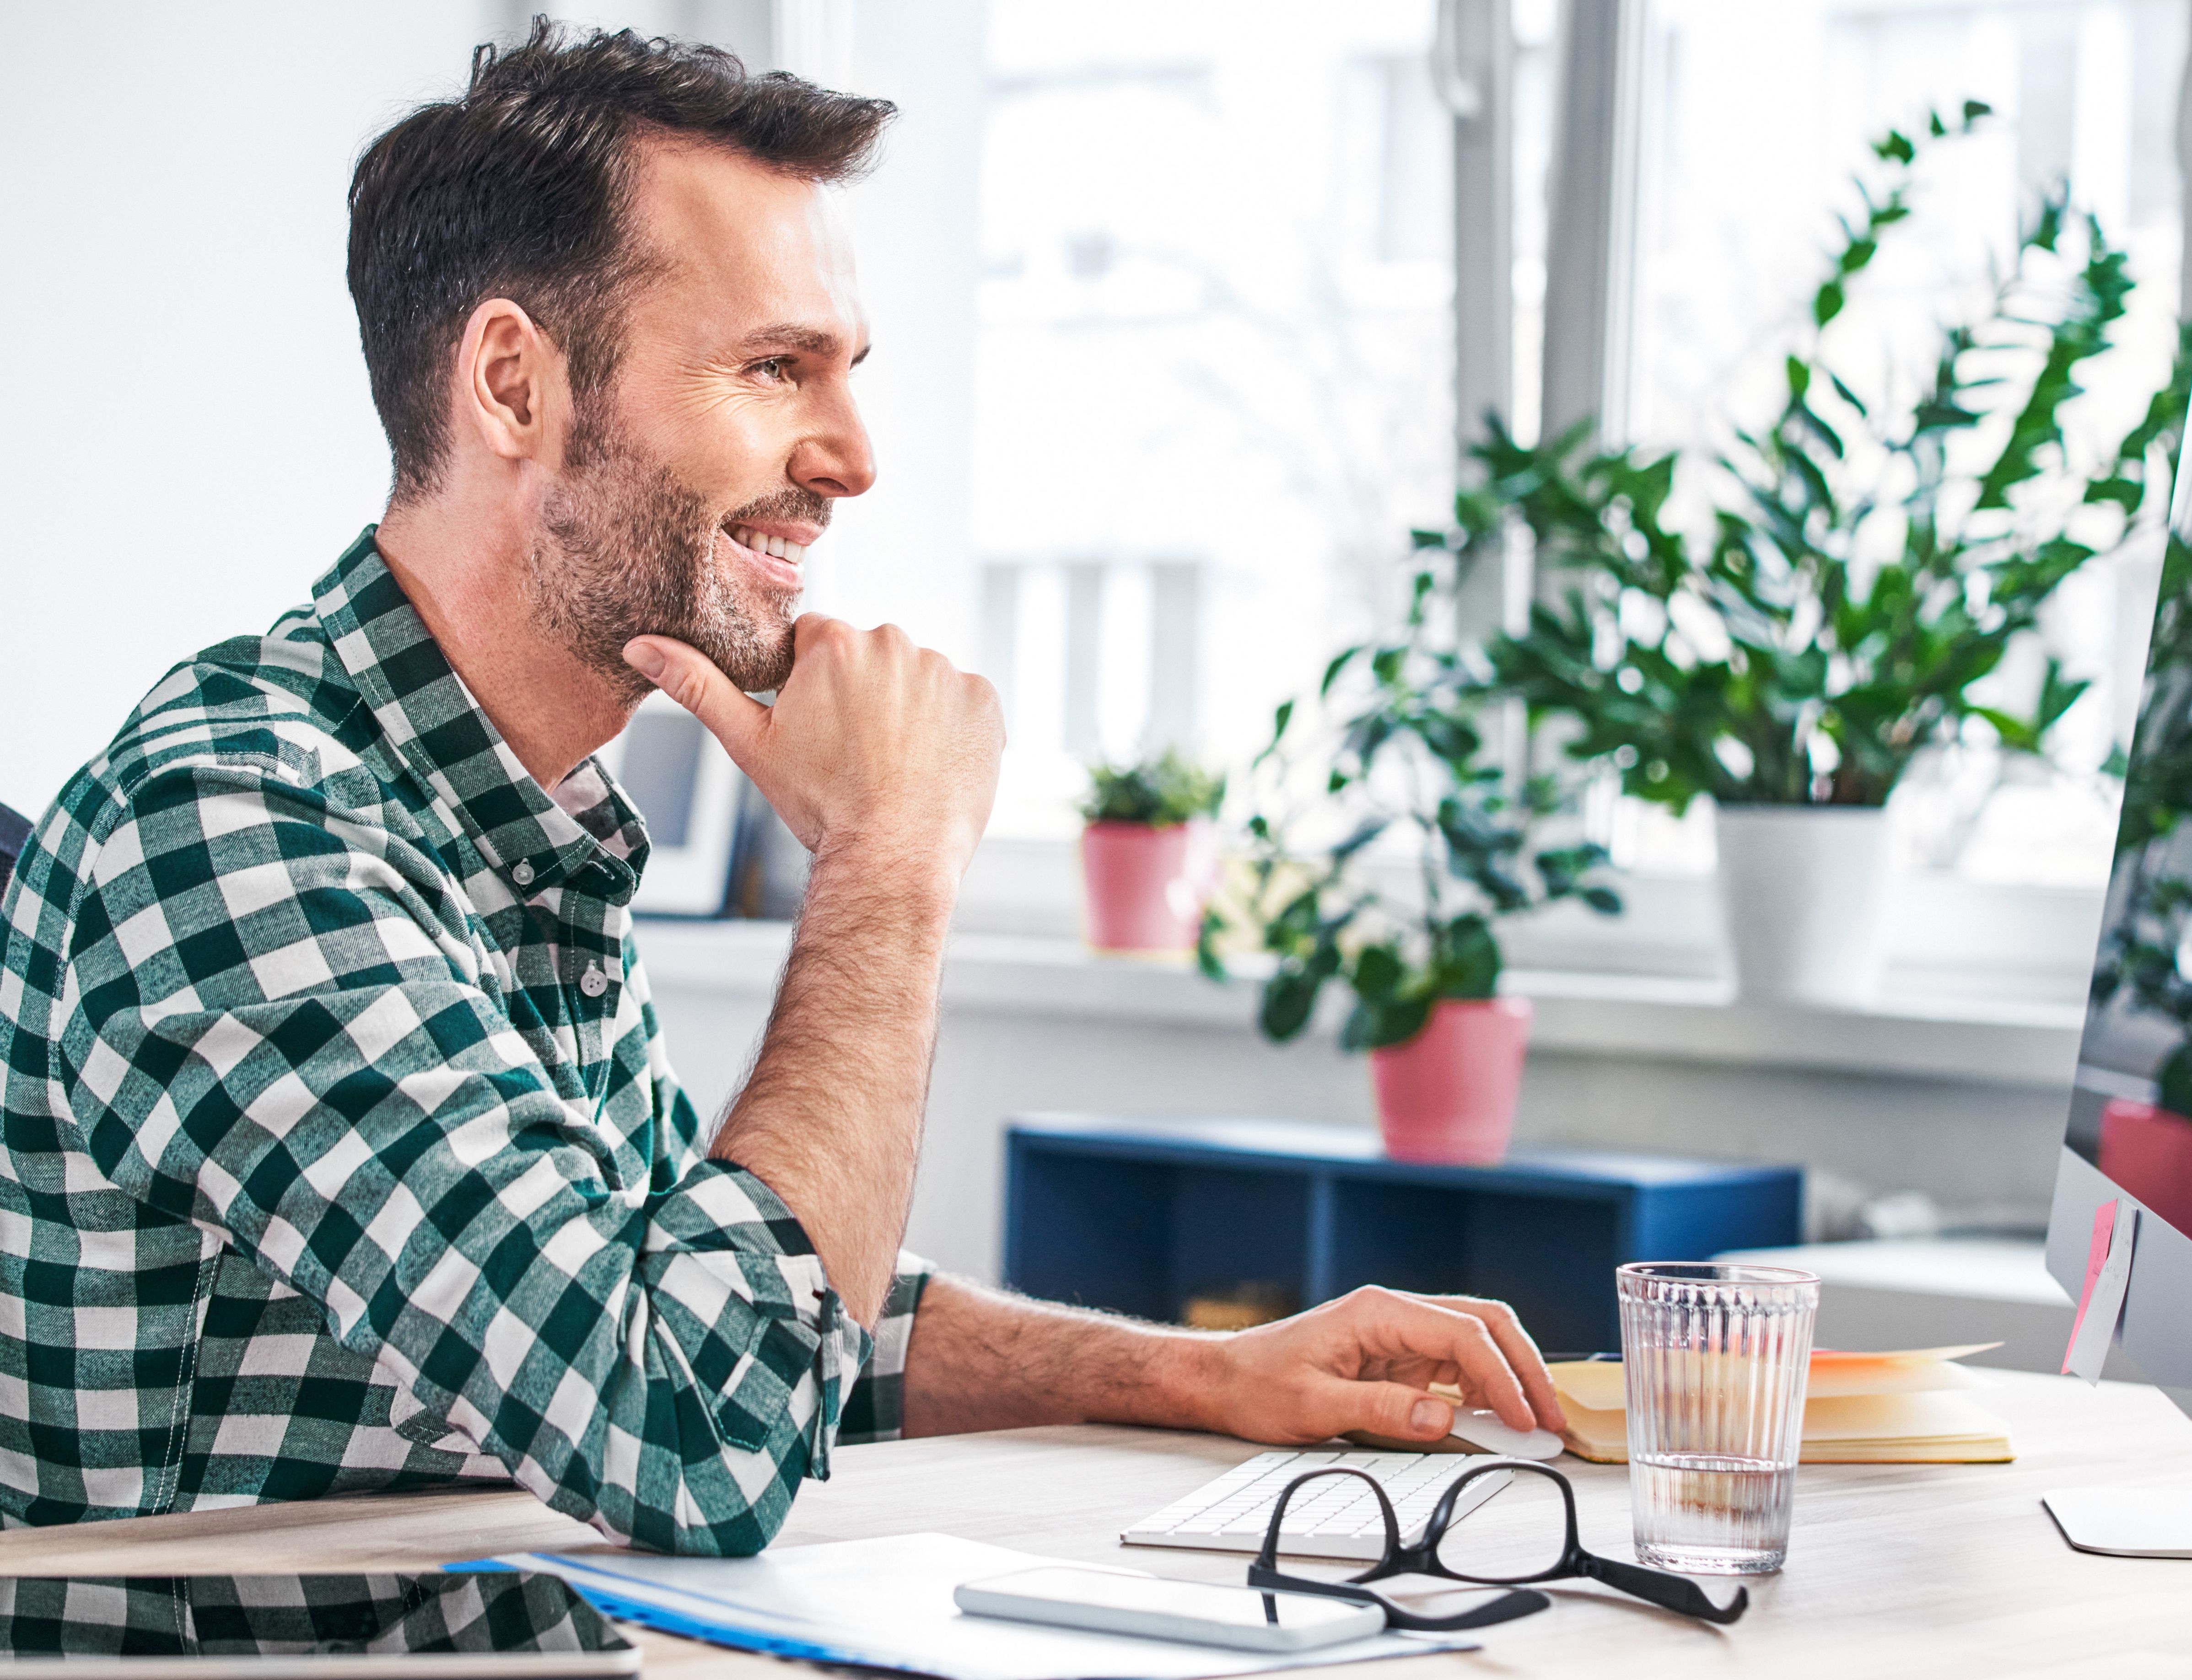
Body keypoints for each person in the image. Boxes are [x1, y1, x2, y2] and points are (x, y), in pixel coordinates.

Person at [0, 21, 1562, 1554]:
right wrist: (888, 856)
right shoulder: (237, 828)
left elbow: (742, 1310)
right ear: (512, 384)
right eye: (773, 367)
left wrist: (1192, 1371)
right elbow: (693, 1421)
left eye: (848, 371)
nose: (855, 454)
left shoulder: (509, 825)